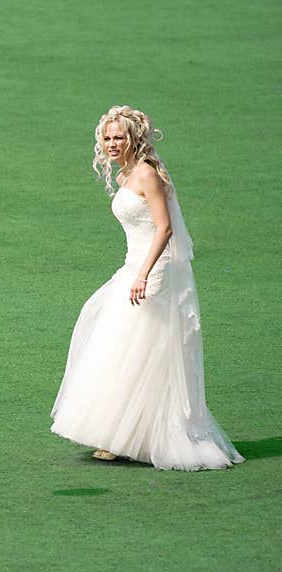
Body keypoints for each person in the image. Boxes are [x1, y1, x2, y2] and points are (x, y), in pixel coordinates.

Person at [50, 105, 243, 471]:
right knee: (118, 341)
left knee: (143, 345)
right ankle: (118, 433)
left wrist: (143, 274)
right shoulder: (125, 177)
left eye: (118, 137)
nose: (111, 143)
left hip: (152, 269)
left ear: (134, 138)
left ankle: (139, 435)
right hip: (133, 265)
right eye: (106, 138)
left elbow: (165, 228)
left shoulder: (145, 175)